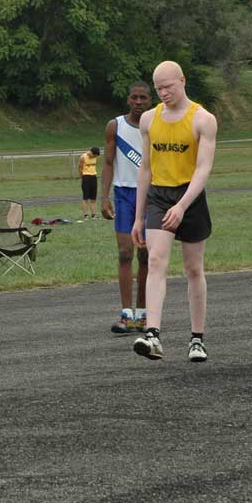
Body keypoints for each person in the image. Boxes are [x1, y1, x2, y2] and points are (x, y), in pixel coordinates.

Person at [131, 61, 217, 362]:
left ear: (182, 80)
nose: (164, 93)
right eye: (159, 89)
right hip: (159, 195)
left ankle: (197, 339)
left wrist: (182, 206)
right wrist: (139, 216)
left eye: (169, 86)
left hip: (189, 196)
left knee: (193, 269)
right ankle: (153, 334)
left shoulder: (203, 120)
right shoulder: (148, 120)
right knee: (155, 261)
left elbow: (204, 169)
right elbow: (145, 168)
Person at [101, 82, 153, 333]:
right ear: (128, 100)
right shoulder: (116, 126)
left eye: (143, 97)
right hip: (123, 194)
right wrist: (103, 197)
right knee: (125, 253)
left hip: (150, 195)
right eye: (135, 97)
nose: (139, 102)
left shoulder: (157, 124)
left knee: (145, 255)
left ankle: (143, 314)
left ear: (150, 101)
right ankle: (125, 314)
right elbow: (108, 162)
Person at [78, 146, 101, 218]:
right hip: (86, 177)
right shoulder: (83, 157)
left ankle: (94, 214)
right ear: (91, 152)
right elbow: (80, 168)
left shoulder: (95, 157)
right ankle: (85, 215)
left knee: (93, 198)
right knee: (85, 197)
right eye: (94, 155)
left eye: (96, 156)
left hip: (94, 177)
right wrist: (82, 178)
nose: (94, 157)